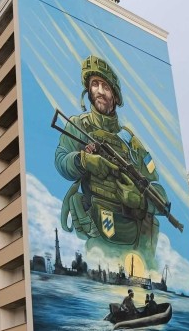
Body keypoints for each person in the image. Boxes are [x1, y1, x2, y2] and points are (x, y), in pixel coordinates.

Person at [54, 55, 174, 270]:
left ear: (116, 96)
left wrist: (141, 200)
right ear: (88, 90)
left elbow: (159, 191)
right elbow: (61, 161)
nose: (100, 91)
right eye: (95, 84)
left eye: (106, 87)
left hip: (137, 237)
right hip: (100, 229)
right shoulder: (78, 126)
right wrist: (83, 160)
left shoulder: (130, 141)